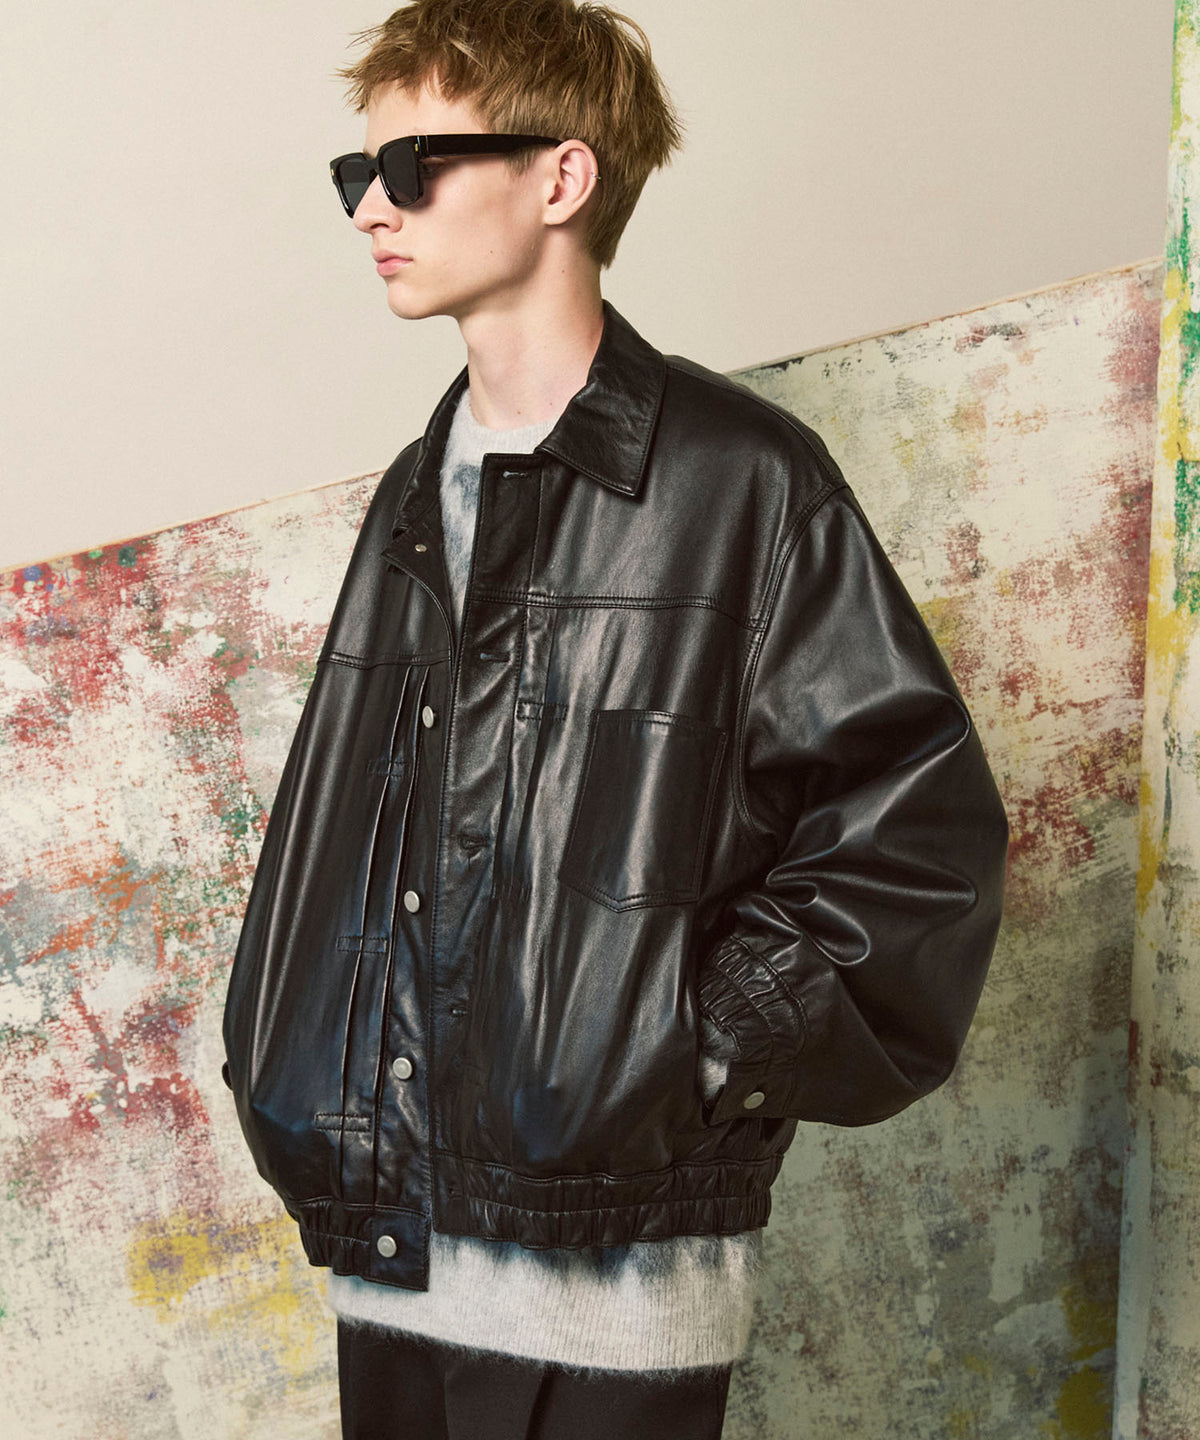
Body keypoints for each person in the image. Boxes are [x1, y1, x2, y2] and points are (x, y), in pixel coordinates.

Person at [221, 2, 1009, 1436]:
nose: (371, 210)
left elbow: (918, 835)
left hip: (619, 1281)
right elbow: (351, 830)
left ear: (562, 178)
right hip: (391, 1254)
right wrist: (283, 1053)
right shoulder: (416, 491)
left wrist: (693, 1044)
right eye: (356, 176)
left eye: (409, 167)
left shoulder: (741, 481)